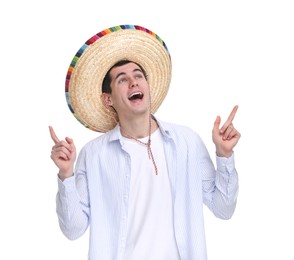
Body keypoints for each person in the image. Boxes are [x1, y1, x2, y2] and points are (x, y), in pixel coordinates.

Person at [49, 25, 241, 260]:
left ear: (148, 87)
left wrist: (224, 155)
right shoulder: (94, 154)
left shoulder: (187, 142)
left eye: (138, 75)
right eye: (122, 79)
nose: (134, 82)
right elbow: (73, 230)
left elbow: (223, 208)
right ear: (108, 99)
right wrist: (66, 174)